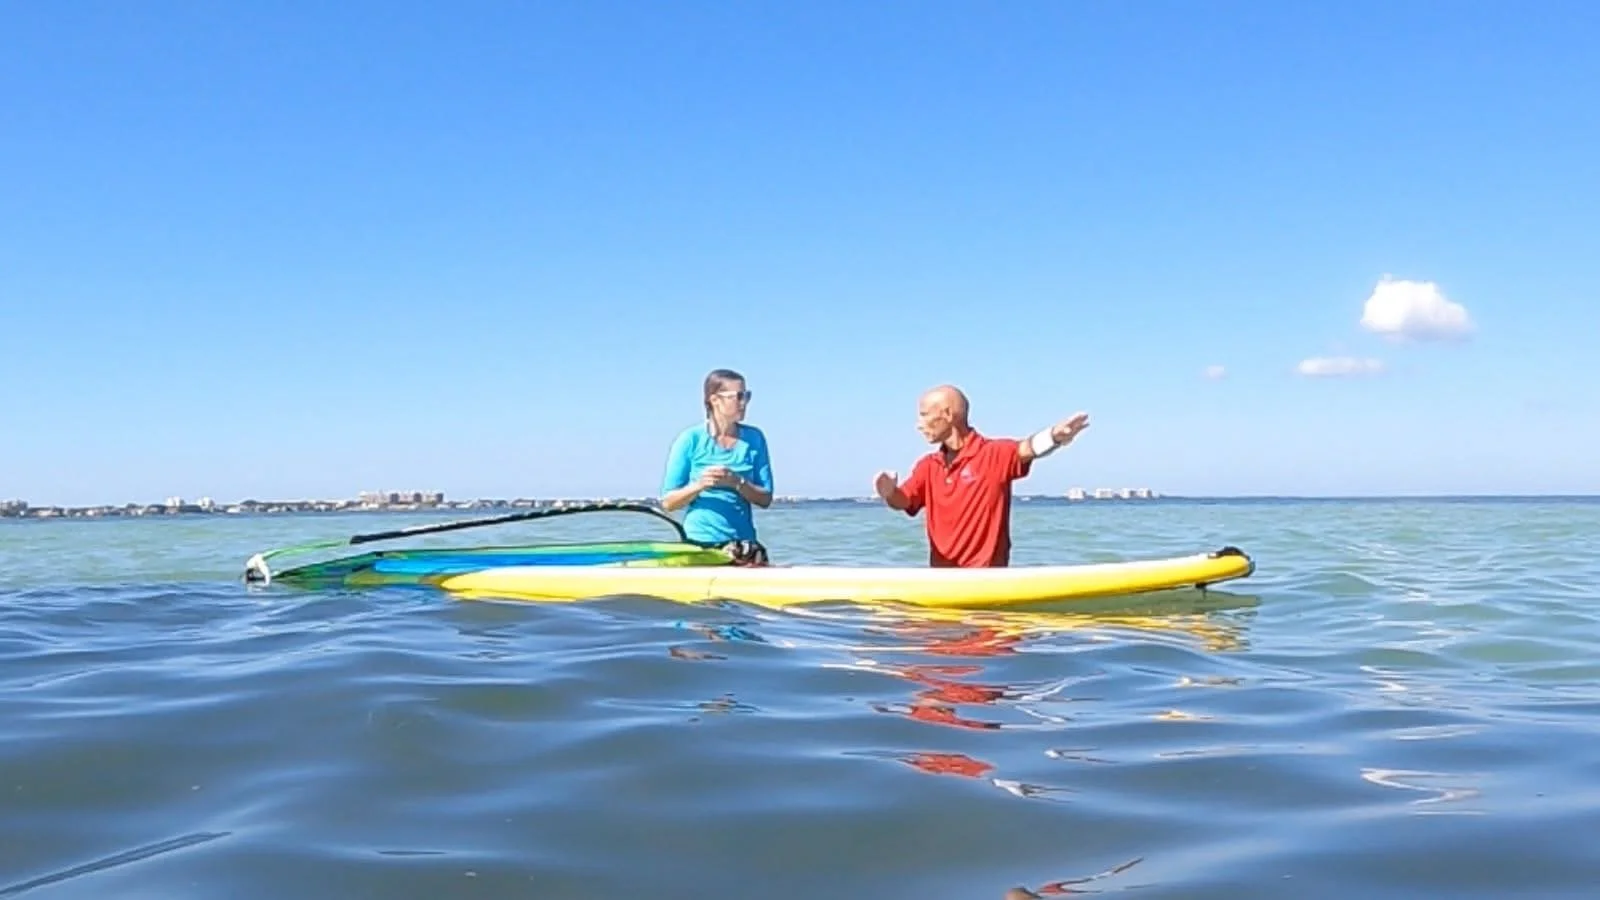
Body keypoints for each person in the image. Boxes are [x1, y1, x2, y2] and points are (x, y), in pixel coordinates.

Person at [873, 384, 1089, 568]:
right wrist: (889, 492)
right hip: (941, 583)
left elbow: (1027, 448)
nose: (918, 424)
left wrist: (1054, 437)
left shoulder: (993, 454)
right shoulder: (928, 466)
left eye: (924, 415)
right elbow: (904, 501)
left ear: (947, 415)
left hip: (987, 581)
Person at [660, 368, 774, 564]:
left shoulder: (754, 438)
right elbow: (668, 503)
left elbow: (765, 499)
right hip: (699, 543)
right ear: (714, 400)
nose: (743, 403)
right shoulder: (690, 440)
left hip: (743, 544)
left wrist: (737, 482)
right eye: (737, 396)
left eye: (746, 395)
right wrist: (700, 485)